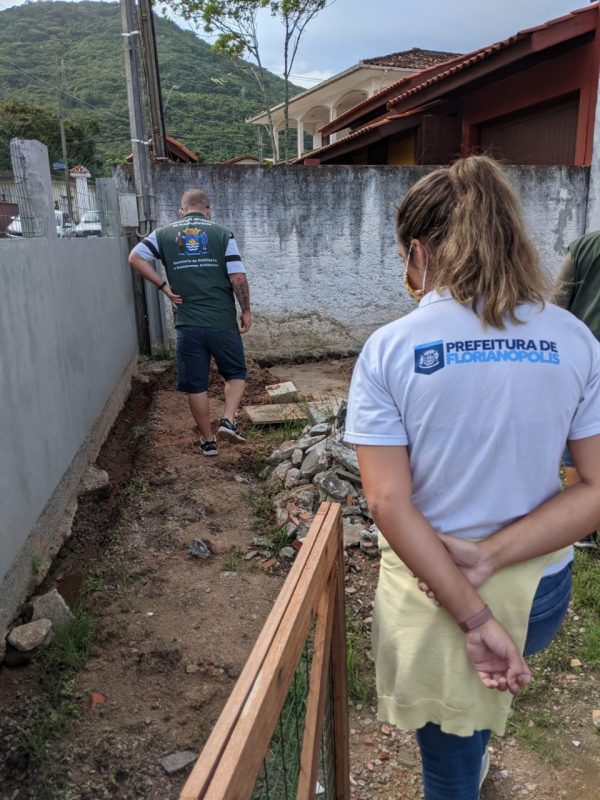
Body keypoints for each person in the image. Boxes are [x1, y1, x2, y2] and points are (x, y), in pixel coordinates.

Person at [344, 155, 600, 800]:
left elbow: (387, 500)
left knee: (448, 760)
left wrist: (472, 614)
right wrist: (490, 558)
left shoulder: (391, 348)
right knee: (471, 716)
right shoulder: (573, 338)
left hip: (436, 592)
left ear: (420, 251)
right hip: (540, 587)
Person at [129, 189, 251, 456]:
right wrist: (246, 310)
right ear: (208, 210)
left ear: (181, 211)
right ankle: (228, 420)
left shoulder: (163, 234)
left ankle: (208, 442)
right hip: (221, 322)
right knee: (236, 374)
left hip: (187, 324)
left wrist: (163, 286)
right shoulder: (222, 234)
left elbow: (135, 257)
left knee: (196, 385)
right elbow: (238, 278)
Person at [553, 230, 600, 547]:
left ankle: (582, 530)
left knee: (580, 438)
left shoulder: (584, 246)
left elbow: (557, 304)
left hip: (584, 356)